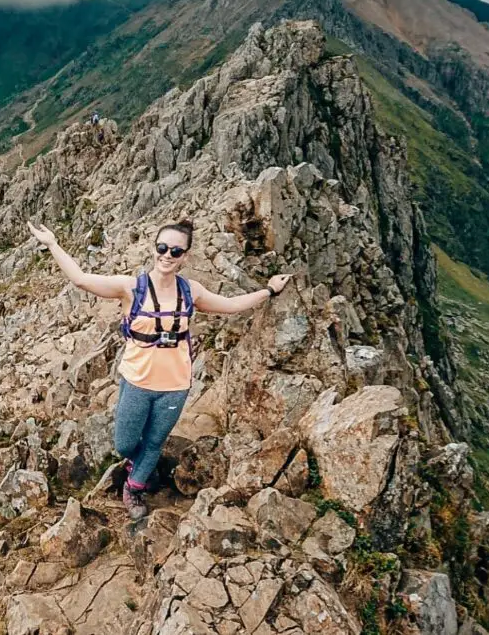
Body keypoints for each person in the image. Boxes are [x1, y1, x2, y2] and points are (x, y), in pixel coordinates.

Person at [27, 219, 292, 520]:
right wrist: (52, 243)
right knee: (124, 443)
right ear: (154, 248)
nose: (167, 255)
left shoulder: (191, 291)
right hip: (138, 380)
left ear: (185, 256)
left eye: (176, 251)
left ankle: (134, 486)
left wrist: (268, 291)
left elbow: (230, 305)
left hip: (175, 384)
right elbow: (81, 279)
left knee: (154, 441)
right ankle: (136, 464)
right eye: (162, 247)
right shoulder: (131, 288)